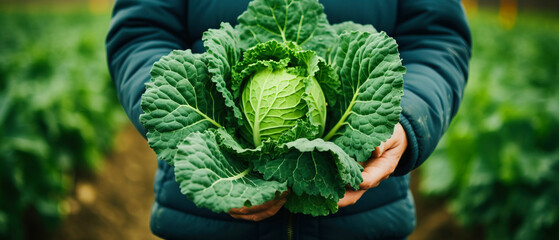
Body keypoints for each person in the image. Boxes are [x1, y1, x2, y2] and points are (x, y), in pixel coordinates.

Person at [106, 0, 471, 239]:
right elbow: (141, 31)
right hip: (209, 223)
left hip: (363, 218)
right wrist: (196, 130)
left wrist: (403, 118)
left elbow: (436, 35)